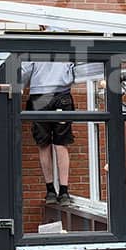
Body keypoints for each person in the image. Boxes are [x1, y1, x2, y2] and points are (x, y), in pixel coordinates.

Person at [21, 56, 76, 205]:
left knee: (43, 144)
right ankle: (64, 191)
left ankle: (50, 190)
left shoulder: (33, 39)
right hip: (62, 92)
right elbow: (78, 67)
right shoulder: (67, 35)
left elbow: (24, 72)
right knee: (61, 144)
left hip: (39, 95)